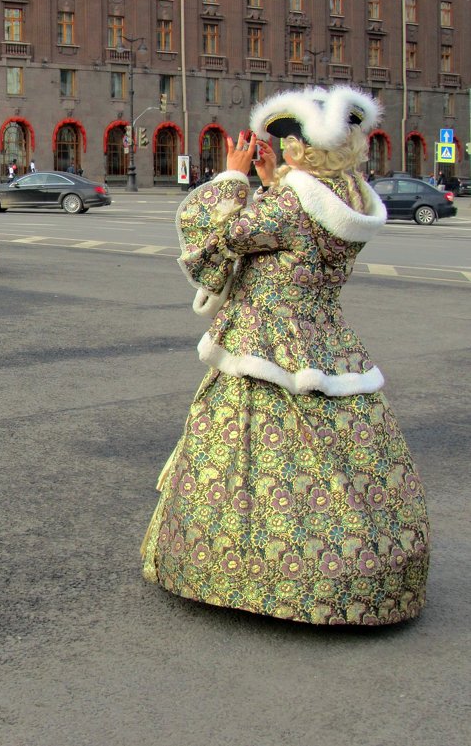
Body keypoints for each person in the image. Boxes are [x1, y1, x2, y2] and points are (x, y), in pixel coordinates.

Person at [140, 85, 430, 625]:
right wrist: (275, 183)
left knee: (253, 456)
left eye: (287, 144)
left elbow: (221, 234)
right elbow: (297, 225)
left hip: (268, 340)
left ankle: (260, 574)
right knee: (343, 452)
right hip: (326, 337)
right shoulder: (350, 193)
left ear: (300, 151)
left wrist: (233, 175)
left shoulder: (290, 204)